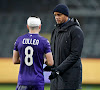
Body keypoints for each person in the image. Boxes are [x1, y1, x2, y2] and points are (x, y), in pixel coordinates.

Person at [44, 4, 84, 90]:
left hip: (70, 78)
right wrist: (51, 66)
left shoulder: (76, 31)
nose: (56, 17)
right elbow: (53, 51)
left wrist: (59, 70)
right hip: (56, 78)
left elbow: (75, 55)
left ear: (66, 15)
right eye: (55, 15)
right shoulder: (55, 31)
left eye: (59, 15)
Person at [13, 16, 54, 90]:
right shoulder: (44, 41)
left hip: (23, 81)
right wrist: (41, 60)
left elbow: (15, 60)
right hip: (37, 81)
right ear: (40, 26)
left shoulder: (19, 40)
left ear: (27, 26)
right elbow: (50, 63)